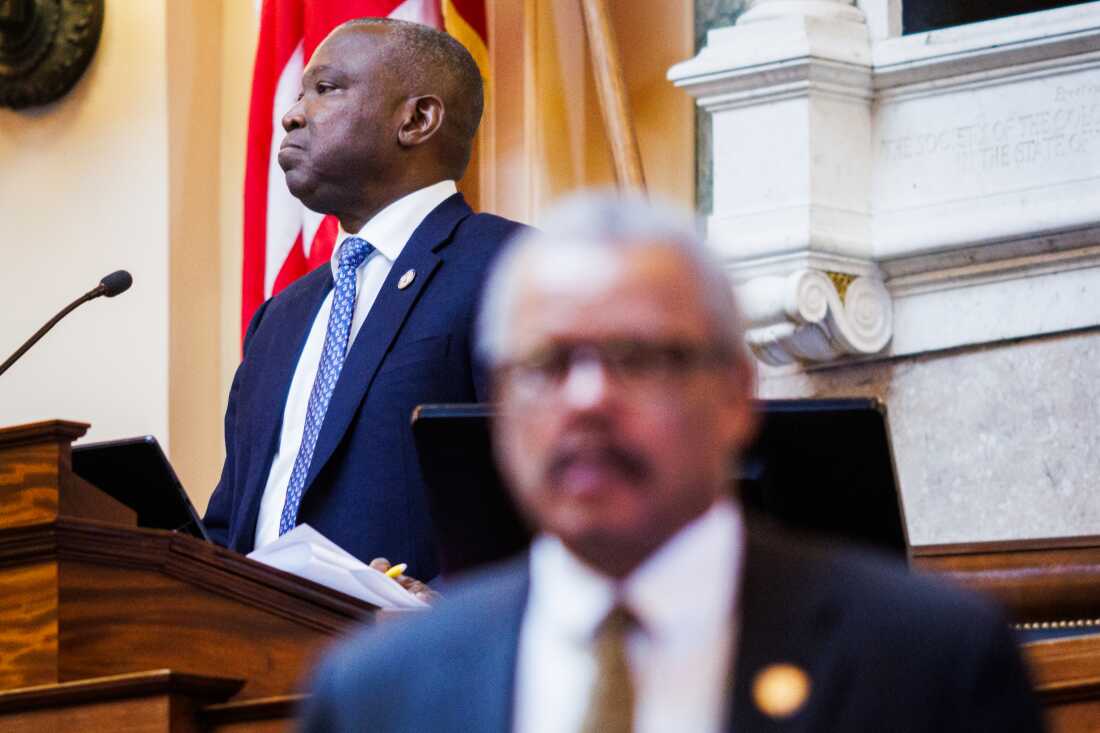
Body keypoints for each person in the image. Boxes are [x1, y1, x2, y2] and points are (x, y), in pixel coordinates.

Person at [299, 192, 1045, 733]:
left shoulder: (929, 660)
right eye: (548, 363)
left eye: (640, 357)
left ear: (735, 394)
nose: (588, 398)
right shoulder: (376, 693)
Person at [204, 18, 524, 580]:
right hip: (254, 652)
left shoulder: (510, 268)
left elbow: (545, 496)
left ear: (417, 119)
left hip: (420, 656)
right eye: (301, 92)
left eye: (325, 89)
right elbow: (230, 525)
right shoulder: (280, 318)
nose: (292, 113)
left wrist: (445, 610)